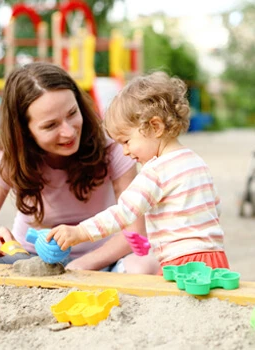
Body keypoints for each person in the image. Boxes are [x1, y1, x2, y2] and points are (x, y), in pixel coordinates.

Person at [0, 62, 159, 274]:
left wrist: (82, 265)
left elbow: (135, 233)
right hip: (28, 258)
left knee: (145, 264)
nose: (69, 132)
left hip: (100, 258)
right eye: (50, 125)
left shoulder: (113, 146)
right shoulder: (7, 159)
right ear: (24, 131)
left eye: (72, 113)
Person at [47, 71, 230, 274]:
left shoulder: (155, 171)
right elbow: (214, 206)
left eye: (126, 141)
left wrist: (80, 231)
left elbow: (123, 213)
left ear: (155, 126)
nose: (125, 151)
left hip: (181, 263)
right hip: (216, 258)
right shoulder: (196, 162)